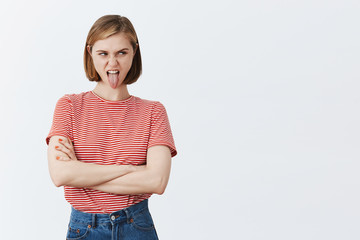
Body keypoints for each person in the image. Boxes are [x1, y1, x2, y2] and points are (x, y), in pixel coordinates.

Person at [45, 15, 177, 240]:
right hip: (85, 228)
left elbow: (157, 181)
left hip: (137, 226)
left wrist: (83, 171)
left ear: (134, 52)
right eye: (103, 53)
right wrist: (132, 169)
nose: (112, 63)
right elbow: (61, 174)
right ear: (90, 53)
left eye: (121, 53)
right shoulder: (69, 106)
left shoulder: (154, 111)